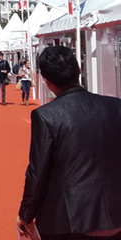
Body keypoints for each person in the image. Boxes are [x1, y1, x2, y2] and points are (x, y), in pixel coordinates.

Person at [17, 45, 121, 240]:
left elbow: (38, 173)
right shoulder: (115, 107)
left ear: (47, 81)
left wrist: (26, 214)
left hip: (68, 221)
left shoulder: (46, 116)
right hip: (115, 216)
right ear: (78, 71)